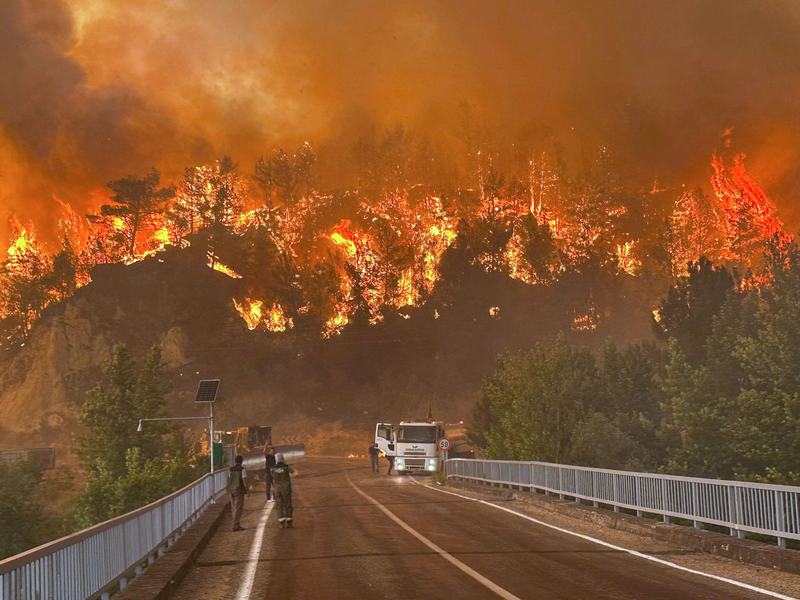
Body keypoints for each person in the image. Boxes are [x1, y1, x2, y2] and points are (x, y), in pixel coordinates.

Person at [271, 453, 295, 528]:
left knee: (279, 505)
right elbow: (293, 471)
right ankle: (289, 523)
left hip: (277, 489)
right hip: (286, 488)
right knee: (288, 504)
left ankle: (281, 523)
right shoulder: (287, 467)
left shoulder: (272, 468)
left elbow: (272, 476)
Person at [227, 455, 250, 532]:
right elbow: (244, 481)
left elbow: (229, 479)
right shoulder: (242, 470)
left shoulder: (230, 469)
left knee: (233, 507)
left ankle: (235, 523)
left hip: (231, 490)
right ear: (241, 462)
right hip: (239, 490)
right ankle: (235, 525)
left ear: (235, 461)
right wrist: (247, 490)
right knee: (238, 508)